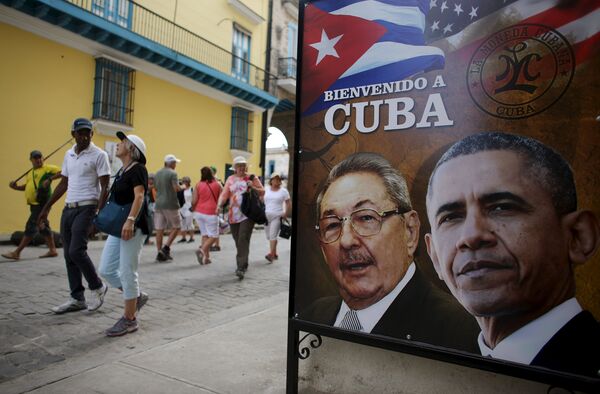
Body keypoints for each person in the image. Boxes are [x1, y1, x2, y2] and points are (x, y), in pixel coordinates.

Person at [424, 132, 600, 376]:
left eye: (502, 207)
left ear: (578, 236)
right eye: (451, 217)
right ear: (434, 256)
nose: (471, 236)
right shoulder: (442, 371)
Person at [301, 152, 479, 351]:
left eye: (367, 218)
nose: (347, 240)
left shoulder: (463, 333)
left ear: (410, 231)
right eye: (332, 225)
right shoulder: (315, 316)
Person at [37, 118, 110, 314]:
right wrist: (46, 208)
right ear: (73, 135)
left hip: (87, 207)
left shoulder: (99, 155)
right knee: (68, 254)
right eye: (80, 132)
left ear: (91, 134)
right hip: (68, 208)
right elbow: (63, 184)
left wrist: (98, 215)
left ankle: (97, 287)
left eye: (88, 132)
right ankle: (77, 298)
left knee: (77, 251)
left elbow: (105, 186)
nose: (84, 136)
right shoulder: (68, 154)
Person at [98, 132, 150, 336]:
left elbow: (140, 196)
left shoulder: (138, 169)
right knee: (106, 269)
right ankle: (136, 296)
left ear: (132, 149)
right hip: (120, 226)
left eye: (123, 142)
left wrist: (130, 221)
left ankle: (130, 319)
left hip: (133, 226)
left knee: (128, 271)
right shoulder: (122, 170)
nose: (119, 144)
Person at [2, 150, 61, 260]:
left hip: (43, 203)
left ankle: (17, 252)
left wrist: (49, 179)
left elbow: (63, 172)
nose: (38, 160)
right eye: (35, 158)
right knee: (43, 226)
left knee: (31, 225)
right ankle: (52, 250)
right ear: (31, 160)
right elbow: (28, 186)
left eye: (40, 157)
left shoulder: (47, 168)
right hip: (34, 204)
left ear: (43, 158)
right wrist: (16, 187)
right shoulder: (31, 173)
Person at [216, 156, 264, 280]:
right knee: (238, 240)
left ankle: (241, 267)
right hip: (233, 214)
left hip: (247, 214)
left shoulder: (252, 178)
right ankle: (244, 260)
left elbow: (262, 191)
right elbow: (224, 194)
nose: (242, 168)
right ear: (235, 168)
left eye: (243, 165)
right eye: (239, 166)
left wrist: (252, 186)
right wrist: (219, 205)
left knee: (243, 238)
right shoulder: (230, 179)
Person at [153, 154, 182, 262]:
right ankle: (166, 248)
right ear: (171, 163)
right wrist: (182, 187)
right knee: (177, 226)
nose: (176, 165)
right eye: (175, 163)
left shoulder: (157, 173)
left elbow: (155, 187)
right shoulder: (173, 173)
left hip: (159, 204)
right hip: (170, 203)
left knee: (159, 229)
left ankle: (159, 252)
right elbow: (175, 188)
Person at [192, 167, 223, 265]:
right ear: (212, 174)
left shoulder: (198, 185)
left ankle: (206, 258)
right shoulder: (218, 185)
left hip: (199, 213)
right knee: (214, 236)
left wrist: (193, 208)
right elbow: (223, 198)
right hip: (211, 213)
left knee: (205, 235)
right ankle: (202, 250)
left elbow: (194, 201)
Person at [263, 173, 291, 262]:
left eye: (278, 180)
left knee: (272, 236)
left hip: (277, 216)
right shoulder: (266, 189)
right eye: (275, 179)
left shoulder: (283, 191)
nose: (277, 181)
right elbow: (262, 200)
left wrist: (285, 214)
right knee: (268, 236)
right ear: (271, 181)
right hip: (266, 216)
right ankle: (274, 253)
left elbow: (288, 203)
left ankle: (271, 255)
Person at [176, 176, 195, 243]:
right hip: (182, 208)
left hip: (190, 207)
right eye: (183, 181)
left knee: (189, 222)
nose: (184, 182)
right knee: (182, 223)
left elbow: (195, 198)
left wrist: (193, 207)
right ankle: (183, 238)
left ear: (188, 182)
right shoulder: (181, 189)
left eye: (185, 181)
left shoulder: (192, 189)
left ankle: (192, 237)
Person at [210, 165, 223, 252]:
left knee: (215, 226)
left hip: (215, 206)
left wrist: (219, 204)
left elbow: (223, 193)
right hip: (211, 206)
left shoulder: (217, 182)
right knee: (211, 226)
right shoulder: (209, 181)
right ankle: (211, 243)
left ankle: (217, 245)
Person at [143, 173, 156, 245]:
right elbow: (148, 188)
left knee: (151, 225)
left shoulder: (152, 187)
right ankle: (146, 240)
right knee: (150, 225)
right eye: (151, 179)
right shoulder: (145, 185)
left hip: (151, 208)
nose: (152, 181)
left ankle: (146, 239)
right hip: (146, 210)